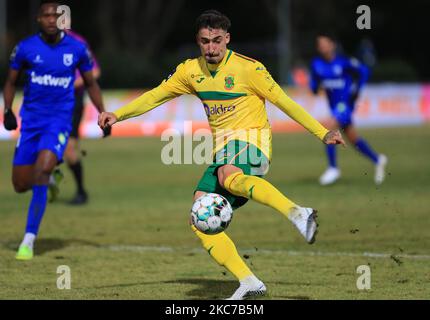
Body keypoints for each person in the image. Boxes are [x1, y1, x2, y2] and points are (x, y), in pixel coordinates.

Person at [98, 10, 345, 300]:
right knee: (198, 215)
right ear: (198, 41)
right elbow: (156, 95)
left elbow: (284, 102)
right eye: (205, 42)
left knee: (228, 175)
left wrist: (322, 132)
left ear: (227, 39)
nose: (212, 48)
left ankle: (298, 213)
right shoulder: (190, 71)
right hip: (224, 149)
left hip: (254, 141)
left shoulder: (249, 69)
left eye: (217, 41)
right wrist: (118, 114)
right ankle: (249, 281)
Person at [2, 1, 105, 260]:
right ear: (38, 19)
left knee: (43, 168)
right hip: (31, 121)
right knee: (19, 184)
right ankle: (50, 180)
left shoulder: (77, 48)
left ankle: (28, 239)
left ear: (62, 19)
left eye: (55, 15)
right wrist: (7, 110)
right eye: (46, 15)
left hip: (59, 120)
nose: (51, 19)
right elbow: (11, 81)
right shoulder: (25, 48)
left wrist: (103, 114)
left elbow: (92, 83)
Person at [310, 34, 387, 185]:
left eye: (325, 44)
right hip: (334, 107)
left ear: (332, 45)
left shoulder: (344, 62)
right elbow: (314, 81)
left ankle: (333, 168)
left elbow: (364, 71)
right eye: (320, 45)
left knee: (329, 128)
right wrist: (314, 87)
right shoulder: (316, 64)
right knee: (353, 139)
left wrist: (356, 89)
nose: (322, 47)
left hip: (345, 104)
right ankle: (378, 159)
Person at [62, 29, 102, 205]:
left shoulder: (77, 42)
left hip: (72, 102)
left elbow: (95, 72)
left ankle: (81, 191)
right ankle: (48, 178)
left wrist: (69, 84)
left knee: (69, 148)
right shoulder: (38, 43)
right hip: (46, 103)